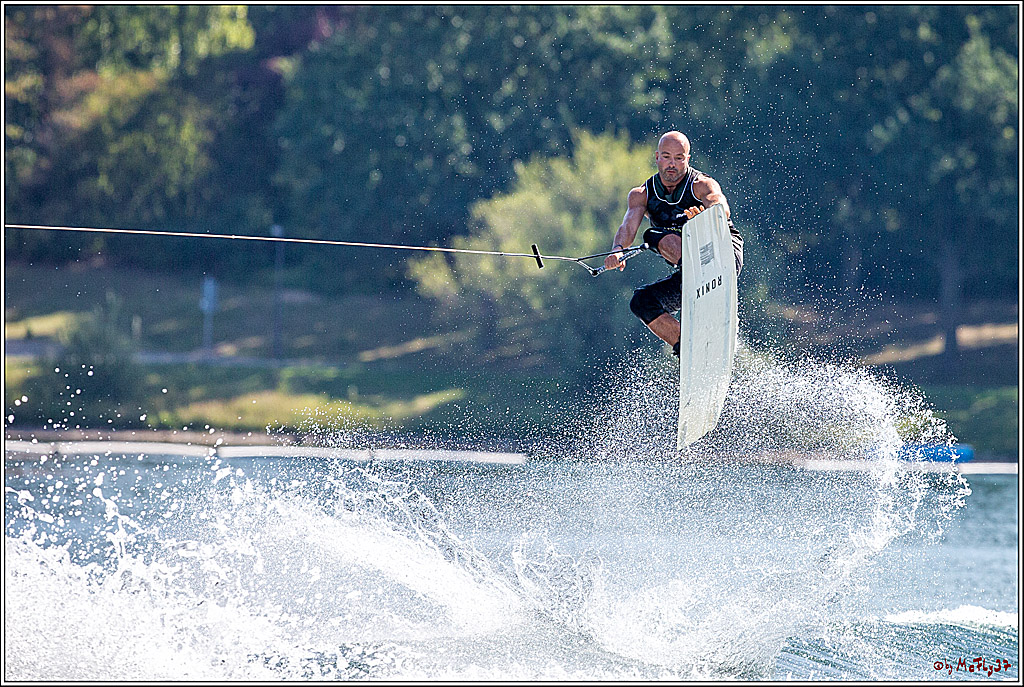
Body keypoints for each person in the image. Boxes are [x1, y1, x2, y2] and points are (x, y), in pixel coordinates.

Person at [604, 131, 743, 356]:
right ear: (657, 157)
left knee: (661, 236)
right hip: (689, 268)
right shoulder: (641, 194)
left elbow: (720, 207)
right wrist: (618, 251)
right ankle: (690, 346)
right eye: (667, 157)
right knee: (642, 301)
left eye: (679, 158)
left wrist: (707, 219)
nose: (672, 164)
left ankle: (704, 275)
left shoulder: (701, 185)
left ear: (687, 159)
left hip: (723, 252)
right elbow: (628, 227)